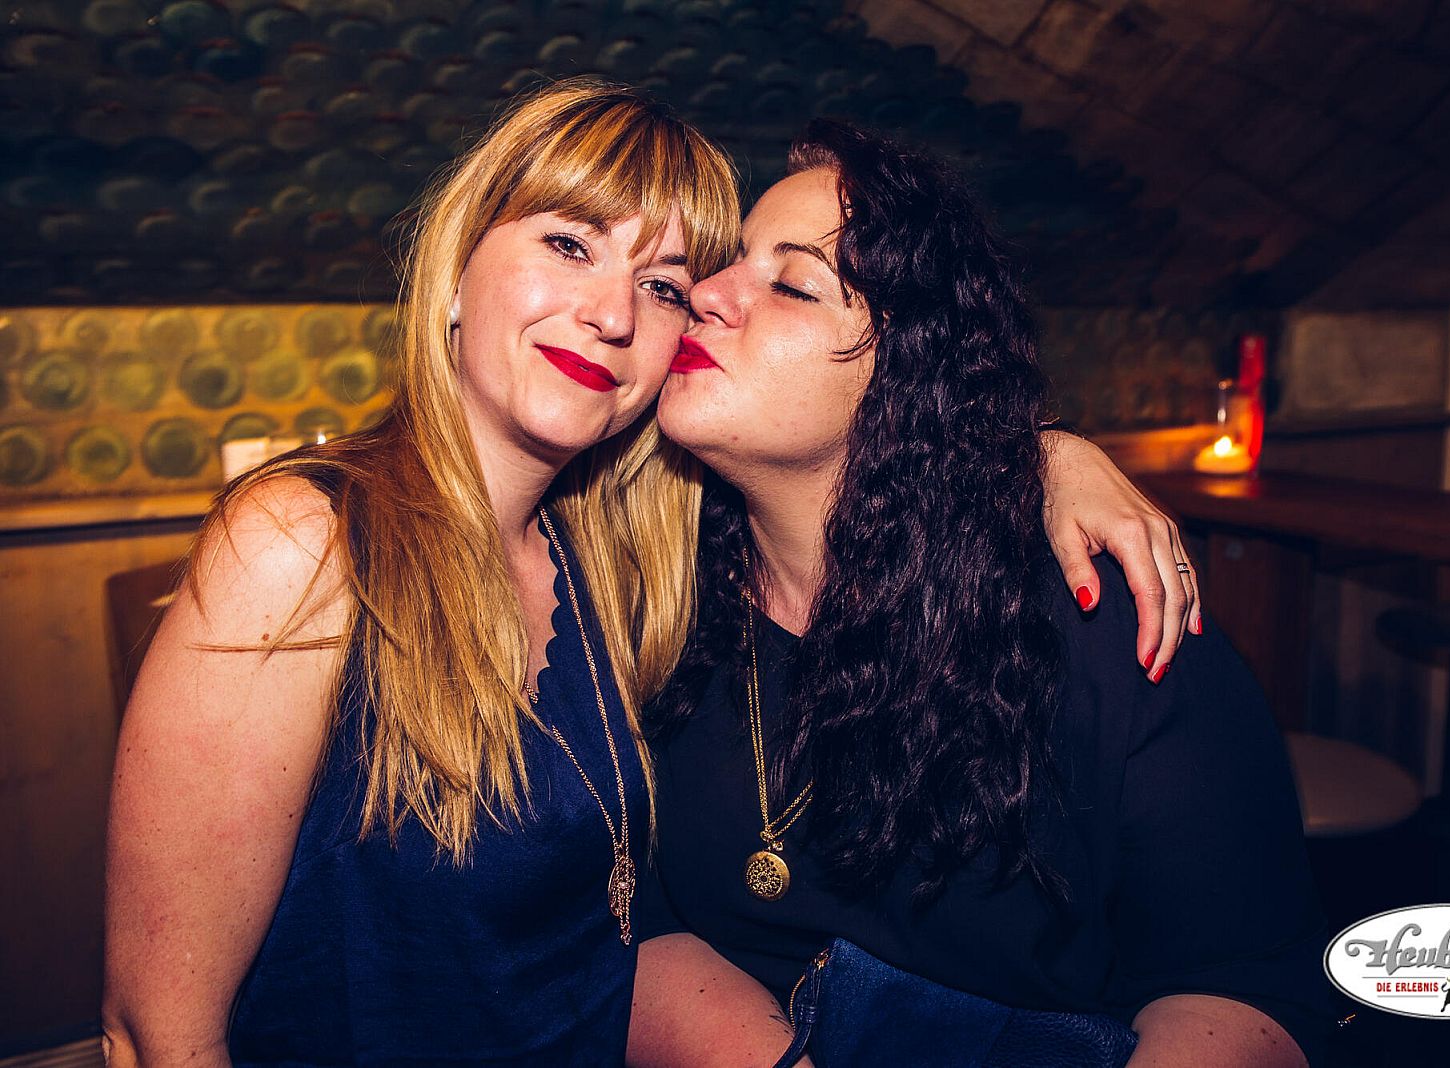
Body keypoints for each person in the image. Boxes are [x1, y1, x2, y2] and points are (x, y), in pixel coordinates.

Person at [102, 82, 1195, 1065]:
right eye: (570, 243)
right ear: (457, 269)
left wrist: (1041, 452)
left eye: (665, 285)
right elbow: (158, 1033)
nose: (614, 313)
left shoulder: (617, 564)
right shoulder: (305, 544)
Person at [630, 122, 1327, 1067]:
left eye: (793, 284)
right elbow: (615, 917)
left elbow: (1250, 986)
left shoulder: (1103, 619)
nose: (706, 294)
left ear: (905, 374)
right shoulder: (649, 598)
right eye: (728, 264)